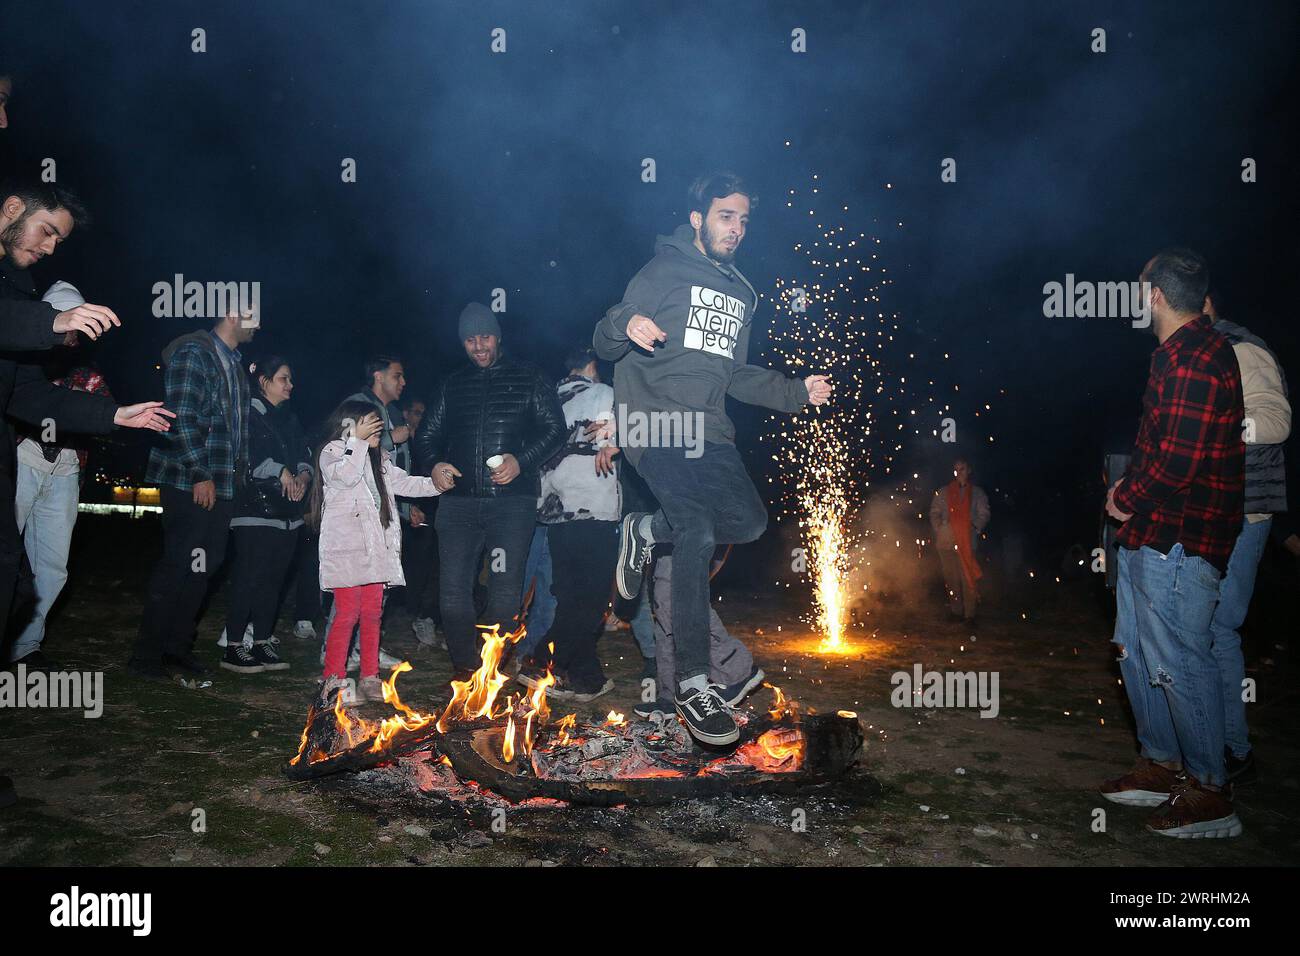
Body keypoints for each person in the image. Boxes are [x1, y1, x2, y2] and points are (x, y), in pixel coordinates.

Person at [593, 171, 831, 745]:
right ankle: (697, 683)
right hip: (654, 424)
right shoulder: (663, 270)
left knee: (749, 522)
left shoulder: (745, 294)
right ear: (698, 219)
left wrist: (795, 392)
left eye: (745, 220)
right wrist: (628, 322)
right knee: (696, 529)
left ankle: (644, 531)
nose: (737, 229)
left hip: (711, 434)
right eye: (726, 216)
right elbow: (603, 338)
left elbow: (737, 374)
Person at [1100, 248, 1245, 838]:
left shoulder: (1194, 361)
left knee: (1179, 659)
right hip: (1154, 534)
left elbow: (1178, 464)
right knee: (1136, 650)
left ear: (1155, 296)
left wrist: (1125, 497)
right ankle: (1161, 765)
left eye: (1141, 291)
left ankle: (1211, 791)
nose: (1139, 301)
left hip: (1182, 538)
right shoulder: (1180, 355)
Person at [0, 177, 172, 652]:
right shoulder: (23, 303)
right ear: (13, 207)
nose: (51, 247)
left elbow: (30, 397)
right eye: (47, 231)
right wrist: (51, 321)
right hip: (25, 458)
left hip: (37, 463)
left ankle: (22, 651)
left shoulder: (16, 286)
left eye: (60, 240)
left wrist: (116, 416)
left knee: (22, 572)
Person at [413, 302, 565, 679]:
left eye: (485, 337)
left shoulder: (528, 377)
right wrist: (433, 463)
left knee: (503, 594)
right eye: (470, 339)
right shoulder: (452, 384)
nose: (478, 346)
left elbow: (555, 429)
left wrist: (522, 460)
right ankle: (466, 671)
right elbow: (426, 435)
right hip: (459, 508)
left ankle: (490, 672)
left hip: (509, 508)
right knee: (451, 593)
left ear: (497, 337)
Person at [129, 308, 257, 679]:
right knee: (178, 564)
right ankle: (146, 656)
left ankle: (176, 648)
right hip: (190, 480)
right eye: (255, 315)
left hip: (222, 484)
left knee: (204, 566)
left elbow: (236, 432)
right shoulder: (195, 353)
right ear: (233, 313)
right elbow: (180, 417)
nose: (260, 324)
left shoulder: (234, 363)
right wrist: (200, 472)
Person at [1203, 290, 1289, 784]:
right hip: (1209, 507)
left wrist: (1224, 428)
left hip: (1245, 512)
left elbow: (1277, 421)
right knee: (1196, 628)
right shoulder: (1199, 353)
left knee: (1217, 629)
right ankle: (1204, 746)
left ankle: (1234, 750)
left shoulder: (1242, 349)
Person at [7, 281, 114, 668]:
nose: (74, 336)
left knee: (52, 565)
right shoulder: (19, 362)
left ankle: (25, 647)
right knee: (6, 556)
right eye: (70, 326)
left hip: (66, 466)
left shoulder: (87, 371)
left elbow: (101, 412)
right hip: (23, 460)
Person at [311, 401, 440, 702]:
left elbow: (404, 482)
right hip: (347, 552)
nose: (378, 430)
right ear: (350, 425)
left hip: (375, 552)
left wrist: (437, 484)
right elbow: (343, 477)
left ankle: (370, 675)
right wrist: (356, 442)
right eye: (371, 424)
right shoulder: (332, 453)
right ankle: (333, 678)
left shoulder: (377, 458)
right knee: (346, 614)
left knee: (372, 613)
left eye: (378, 426)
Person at [516, 346, 620, 701]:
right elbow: (615, 439)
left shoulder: (548, 400)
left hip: (555, 514)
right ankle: (539, 659)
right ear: (592, 366)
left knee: (571, 596)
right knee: (590, 601)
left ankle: (586, 677)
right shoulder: (603, 394)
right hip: (593, 509)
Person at [219, 356, 313, 674]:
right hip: (254, 510)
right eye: (284, 378)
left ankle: (262, 640)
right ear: (264, 382)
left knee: (274, 580)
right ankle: (233, 646)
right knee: (250, 576)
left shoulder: (289, 418)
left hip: (288, 513)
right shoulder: (249, 414)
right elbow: (246, 458)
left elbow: (304, 454)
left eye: (291, 379)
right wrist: (280, 470)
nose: (291, 385)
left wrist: (302, 476)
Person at [634, 550, 764, 718]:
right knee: (664, 607)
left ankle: (735, 671)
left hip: (684, 530)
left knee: (676, 598)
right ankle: (674, 693)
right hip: (666, 532)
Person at [398, 394, 442, 646]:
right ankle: (410, 609)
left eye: (423, 414)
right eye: (415, 412)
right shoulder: (399, 441)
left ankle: (423, 614)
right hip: (403, 507)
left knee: (429, 559)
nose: (420, 418)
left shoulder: (427, 442)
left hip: (428, 508)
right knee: (410, 560)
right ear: (405, 414)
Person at [929, 458, 991, 623]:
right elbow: (934, 512)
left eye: (962, 469)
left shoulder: (977, 493)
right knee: (951, 578)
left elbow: (984, 514)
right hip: (946, 543)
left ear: (968, 470)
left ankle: (970, 614)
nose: (959, 472)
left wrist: (973, 528)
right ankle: (956, 612)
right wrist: (941, 529)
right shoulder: (943, 492)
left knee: (967, 577)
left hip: (967, 543)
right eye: (956, 469)